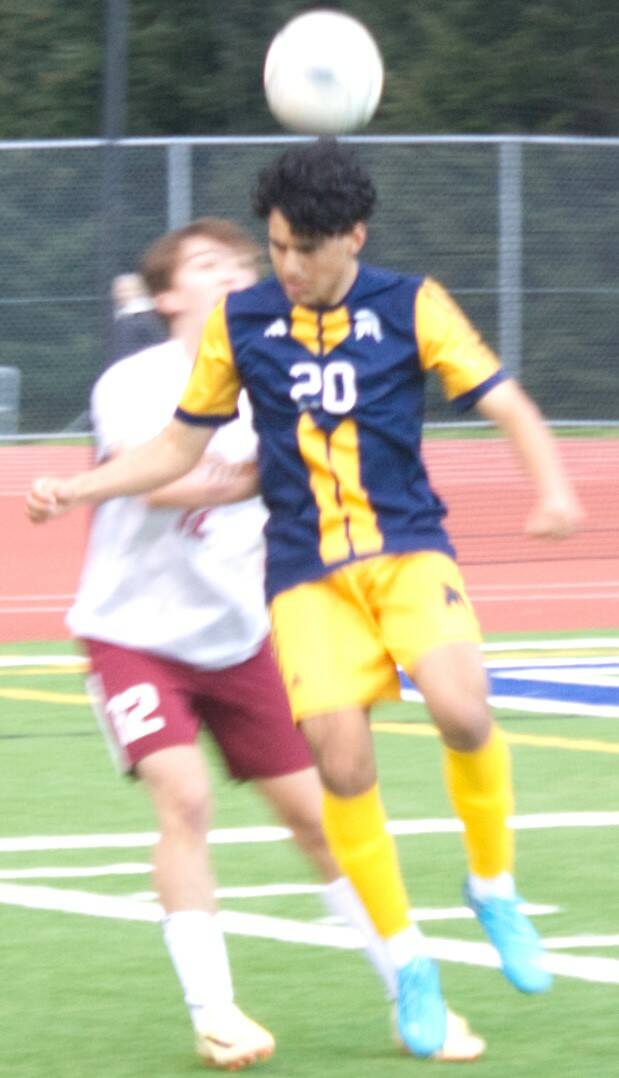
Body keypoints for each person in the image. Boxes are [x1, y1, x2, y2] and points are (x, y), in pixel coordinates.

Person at [27, 140, 584, 1062]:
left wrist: (553, 491)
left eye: (295, 251)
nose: (280, 266)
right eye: (270, 247)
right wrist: (79, 489)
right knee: (297, 775)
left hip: (382, 561)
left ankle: (491, 888)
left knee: (457, 710)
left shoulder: (408, 303)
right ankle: (386, 967)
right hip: (261, 590)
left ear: (350, 237)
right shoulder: (222, 337)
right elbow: (174, 457)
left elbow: (507, 404)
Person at [54, 218, 402, 1071]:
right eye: (208, 264)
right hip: (131, 637)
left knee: (320, 822)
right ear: (168, 295)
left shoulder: (284, 377)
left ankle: (409, 991)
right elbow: (162, 481)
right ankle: (214, 1012)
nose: (233, 273)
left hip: (240, 637)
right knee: (185, 800)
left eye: (242, 263)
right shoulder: (135, 382)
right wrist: (263, 470)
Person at [107, 272, 166, 367]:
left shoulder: (145, 319)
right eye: (118, 291)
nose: (120, 295)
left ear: (140, 292)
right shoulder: (124, 318)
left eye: (125, 291)